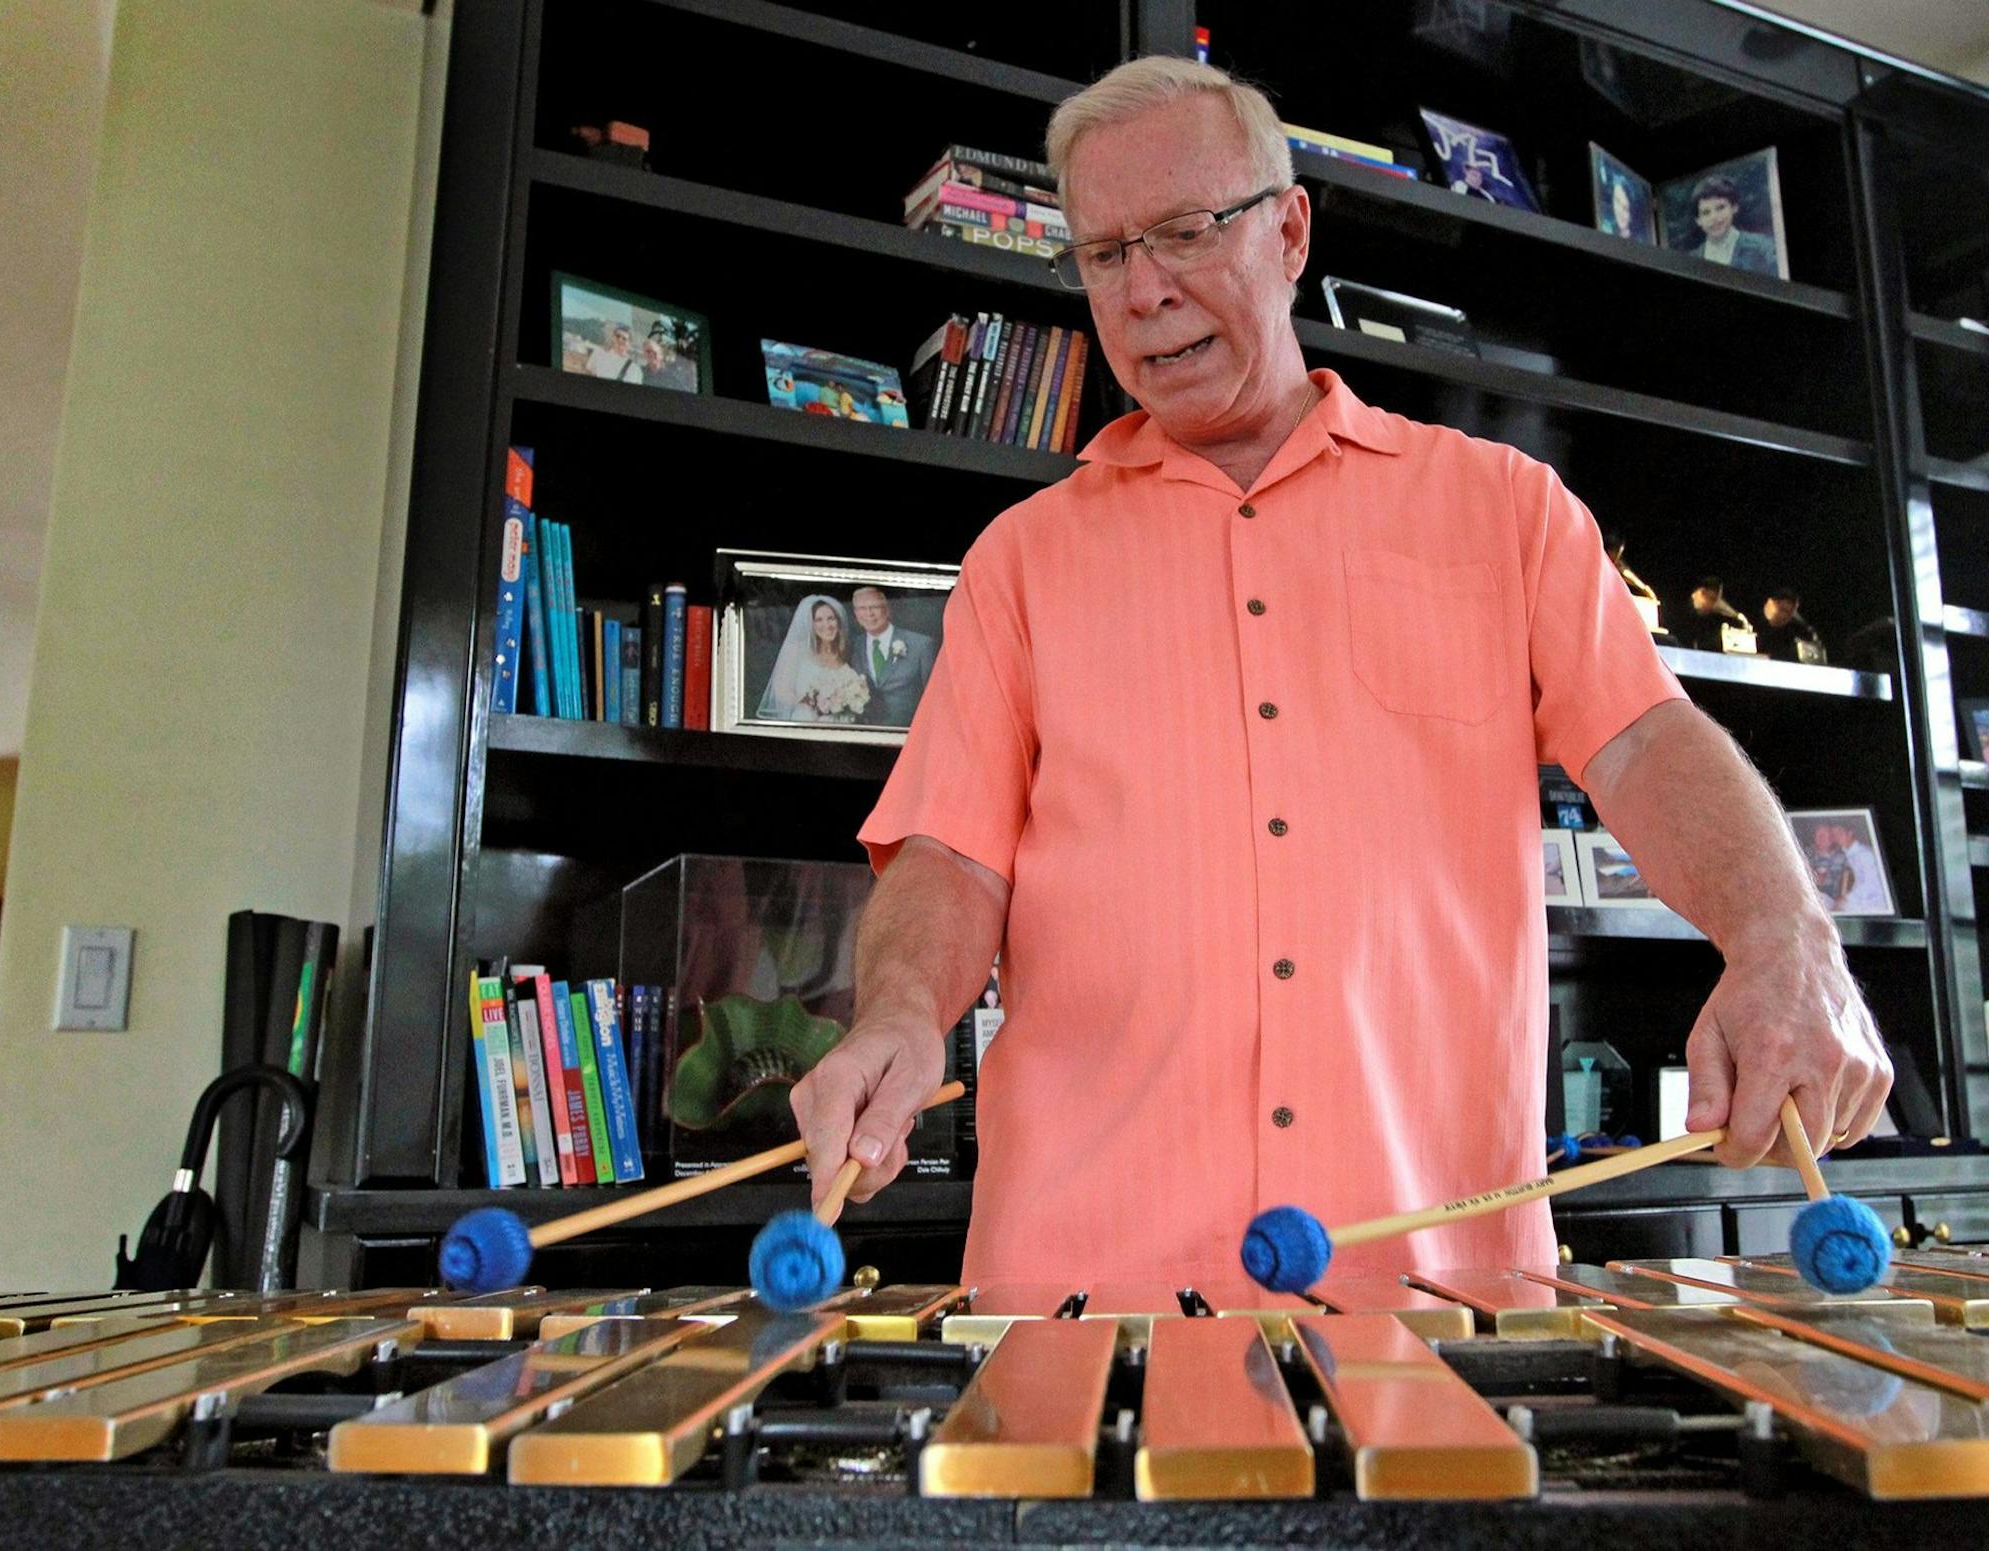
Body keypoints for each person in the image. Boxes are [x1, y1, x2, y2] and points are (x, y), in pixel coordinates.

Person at [788, 58, 1889, 1285]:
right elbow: (952, 853)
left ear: (1290, 232)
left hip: (1433, 1282)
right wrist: (898, 1013)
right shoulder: (1019, 562)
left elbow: (1644, 743)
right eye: (1103, 254)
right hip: (1083, 1282)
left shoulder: (1505, 508)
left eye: (1186, 232)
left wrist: (1784, 939)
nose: (1144, 291)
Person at [757, 596, 869, 722]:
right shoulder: (797, 651)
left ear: (838, 622)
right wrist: (813, 700)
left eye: (831, 618)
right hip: (806, 720)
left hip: (842, 722)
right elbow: (781, 692)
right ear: (811, 624)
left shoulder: (845, 652)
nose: (827, 625)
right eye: (819, 620)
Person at [849, 587, 937, 727]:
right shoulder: (852, 647)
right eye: (862, 608)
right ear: (856, 614)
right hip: (865, 732)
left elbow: (935, 697)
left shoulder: (921, 645)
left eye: (875, 607)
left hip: (908, 732)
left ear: (887, 609)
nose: (869, 613)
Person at [1686, 174, 1777, 273]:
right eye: (1706, 212)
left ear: (1734, 207)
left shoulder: (1764, 248)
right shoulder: (1691, 262)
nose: (1714, 217)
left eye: (1720, 208)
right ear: (1698, 220)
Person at [1677, 576, 1750, 654]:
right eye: (1712, 599)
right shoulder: (1682, 611)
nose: (1714, 605)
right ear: (1702, 592)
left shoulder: (1706, 617)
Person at [1755, 589, 1824, 664]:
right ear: (1771, 603)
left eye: (1789, 612)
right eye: (1782, 610)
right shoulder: (1754, 622)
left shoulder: (1796, 632)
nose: (1784, 616)